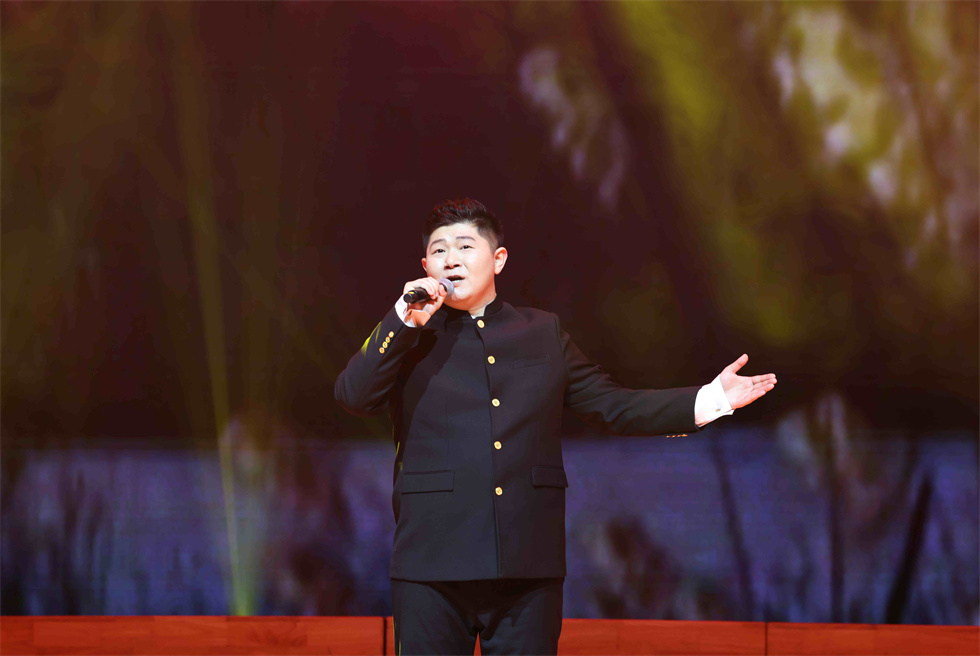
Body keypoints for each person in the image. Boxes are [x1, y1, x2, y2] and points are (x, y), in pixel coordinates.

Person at [335, 198, 777, 655]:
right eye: (439, 250)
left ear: (498, 259)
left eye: (465, 246)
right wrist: (402, 320)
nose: (451, 259)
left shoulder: (541, 332)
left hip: (528, 565)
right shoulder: (406, 336)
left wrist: (711, 399)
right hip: (431, 564)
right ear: (425, 266)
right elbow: (353, 395)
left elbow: (613, 405)